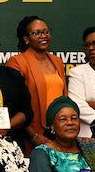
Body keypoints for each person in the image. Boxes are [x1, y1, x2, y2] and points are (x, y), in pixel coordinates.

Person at [7, 15, 66, 151]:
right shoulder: (17, 62)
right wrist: (33, 135)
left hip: (59, 132)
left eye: (46, 31)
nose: (43, 36)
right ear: (26, 38)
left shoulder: (56, 61)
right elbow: (16, 106)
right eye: (37, 33)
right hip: (33, 134)